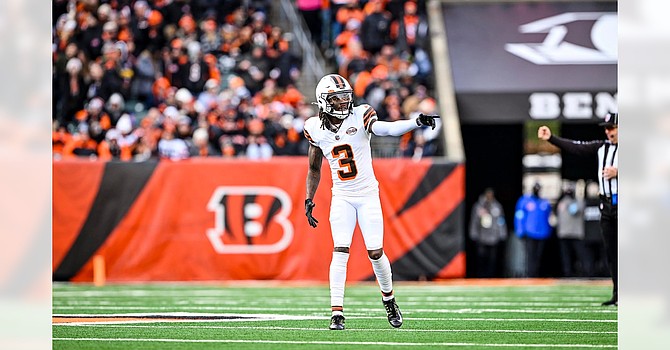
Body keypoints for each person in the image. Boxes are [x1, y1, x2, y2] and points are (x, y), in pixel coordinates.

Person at [303, 73, 438, 330]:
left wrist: (414, 122)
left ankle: (389, 300)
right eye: (338, 99)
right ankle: (336, 312)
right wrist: (309, 198)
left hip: (367, 196)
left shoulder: (360, 114)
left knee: (375, 252)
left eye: (345, 97)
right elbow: (314, 167)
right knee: (340, 250)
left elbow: (385, 128)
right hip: (342, 196)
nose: (344, 103)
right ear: (324, 101)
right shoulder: (314, 128)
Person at [538, 112, 619, 306]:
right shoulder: (602, 148)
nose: (609, 132)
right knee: (612, 251)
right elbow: (576, 148)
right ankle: (618, 293)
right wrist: (552, 138)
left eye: (612, 128)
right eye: (606, 129)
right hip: (607, 205)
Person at [514, 182, 552, 278]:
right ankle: (530, 275)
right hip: (529, 232)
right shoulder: (525, 201)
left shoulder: (544, 203)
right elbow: (519, 216)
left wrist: (549, 231)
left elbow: (549, 218)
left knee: (539, 256)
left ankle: (538, 275)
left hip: (542, 233)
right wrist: (520, 230)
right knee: (530, 256)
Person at [469, 188, 507, 278]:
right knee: (481, 258)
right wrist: (474, 234)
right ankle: (481, 276)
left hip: (493, 237)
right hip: (482, 237)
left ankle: (491, 276)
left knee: (492, 259)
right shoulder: (479, 207)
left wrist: (502, 234)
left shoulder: (497, 206)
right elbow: (474, 221)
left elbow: (501, 221)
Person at [555, 184, 590, 277]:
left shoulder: (578, 202)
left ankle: (586, 272)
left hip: (576, 233)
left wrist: (570, 202)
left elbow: (574, 211)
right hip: (564, 233)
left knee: (580, 255)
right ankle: (567, 273)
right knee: (566, 256)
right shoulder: (561, 202)